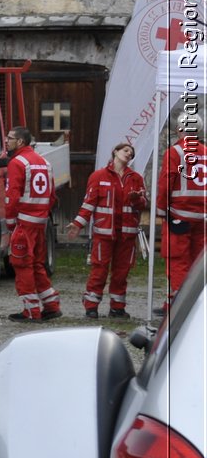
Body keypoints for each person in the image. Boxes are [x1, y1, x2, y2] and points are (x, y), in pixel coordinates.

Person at [67, 142, 148, 318]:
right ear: (115, 152)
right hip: (104, 233)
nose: (129, 154)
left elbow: (143, 205)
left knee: (122, 272)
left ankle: (117, 307)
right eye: (126, 150)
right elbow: (89, 203)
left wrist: (136, 200)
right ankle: (91, 306)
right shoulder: (98, 176)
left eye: (131, 153)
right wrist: (77, 223)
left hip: (126, 234)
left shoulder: (136, 178)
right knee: (99, 270)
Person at [2, 126, 62, 323]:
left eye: (10, 138)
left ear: (20, 142)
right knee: (37, 263)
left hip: (24, 223)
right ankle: (51, 305)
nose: (6, 140)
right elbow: (52, 195)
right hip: (40, 223)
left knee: (22, 264)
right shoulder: (45, 162)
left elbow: (12, 196)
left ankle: (31, 310)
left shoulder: (16, 163)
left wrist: (11, 223)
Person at [158, 128, 207, 306]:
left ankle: (179, 305)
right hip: (202, 217)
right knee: (198, 261)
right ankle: (197, 304)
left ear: (180, 131)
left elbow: (166, 183)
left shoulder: (175, 152)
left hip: (179, 215)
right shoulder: (206, 151)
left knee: (177, 259)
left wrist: (161, 209)